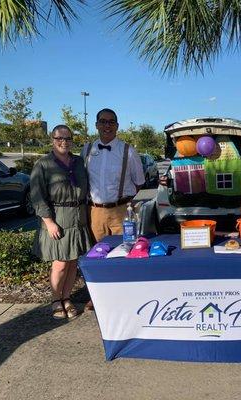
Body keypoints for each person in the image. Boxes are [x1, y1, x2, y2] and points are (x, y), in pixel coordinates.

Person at [81, 108, 145, 310]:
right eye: (103, 121)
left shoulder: (128, 150)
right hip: (94, 212)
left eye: (111, 122)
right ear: (96, 125)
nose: (107, 125)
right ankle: (98, 296)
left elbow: (139, 182)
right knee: (96, 255)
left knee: (124, 253)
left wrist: (123, 202)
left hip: (121, 211)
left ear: (117, 126)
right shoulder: (87, 150)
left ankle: (125, 297)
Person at [31, 125, 94, 320]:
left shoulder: (78, 162)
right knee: (60, 264)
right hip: (58, 217)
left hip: (78, 216)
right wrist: (49, 222)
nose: (64, 141)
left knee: (73, 261)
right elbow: (37, 196)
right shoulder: (43, 164)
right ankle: (55, 299)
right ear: (53, 139)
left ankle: (67, 298)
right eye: (60, 138)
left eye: (68, 138)